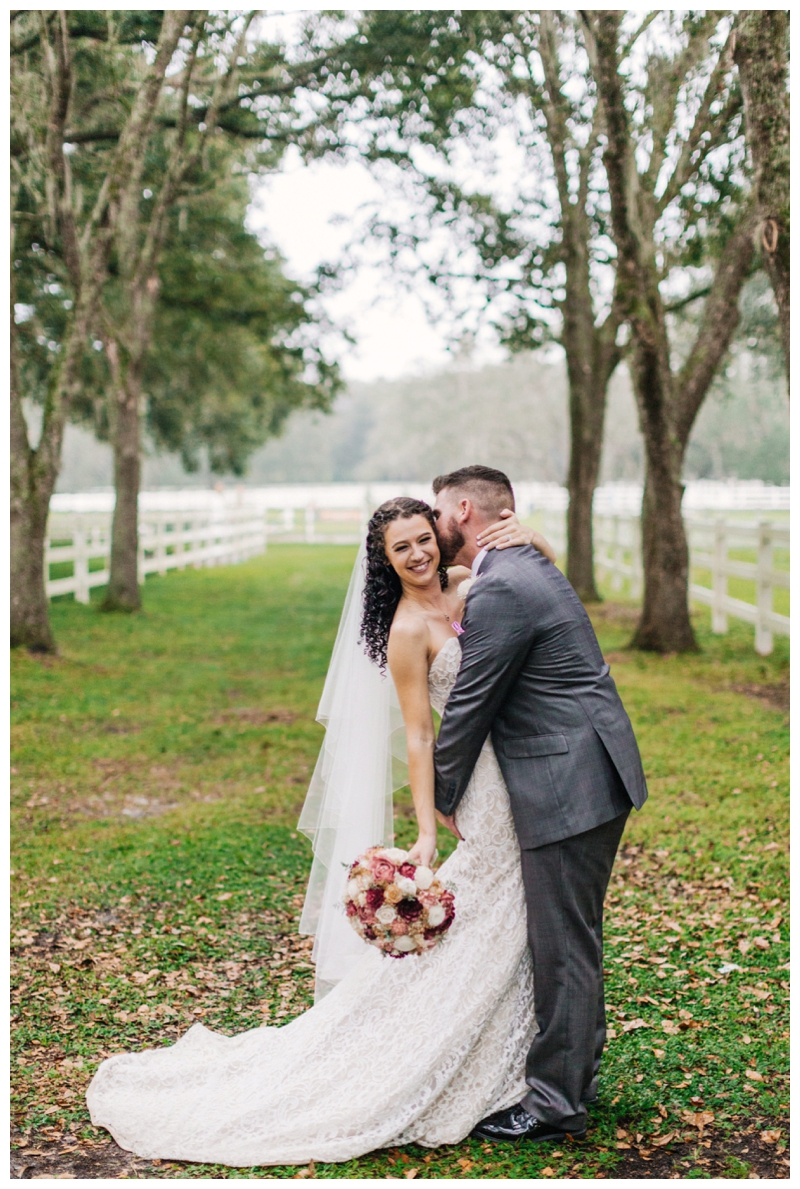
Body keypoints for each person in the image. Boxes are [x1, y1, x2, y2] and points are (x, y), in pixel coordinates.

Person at [85, 496, 559, 1167]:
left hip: (523, 758)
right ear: (385, 561)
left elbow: (546, 598)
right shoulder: (405, 631)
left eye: (426, 539)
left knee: (507, 913)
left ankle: (504, 1044)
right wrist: (427, 826)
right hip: (485, 783)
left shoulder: (467, 584)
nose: (420, 554)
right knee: (491, 907)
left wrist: (533, 537)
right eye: (404, 548)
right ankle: (445, 1050)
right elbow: (421, 734)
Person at [430, 465, 648, 1144]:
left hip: (568, 781)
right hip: (587, 768)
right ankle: (574, 1066)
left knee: (564, 946)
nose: (435, 526)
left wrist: (442, 792)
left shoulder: (502, 587)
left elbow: (471, 700)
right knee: (569, 937)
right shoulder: (522, 565)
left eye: (439, 512)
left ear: (463, 508)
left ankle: (556, 1101)